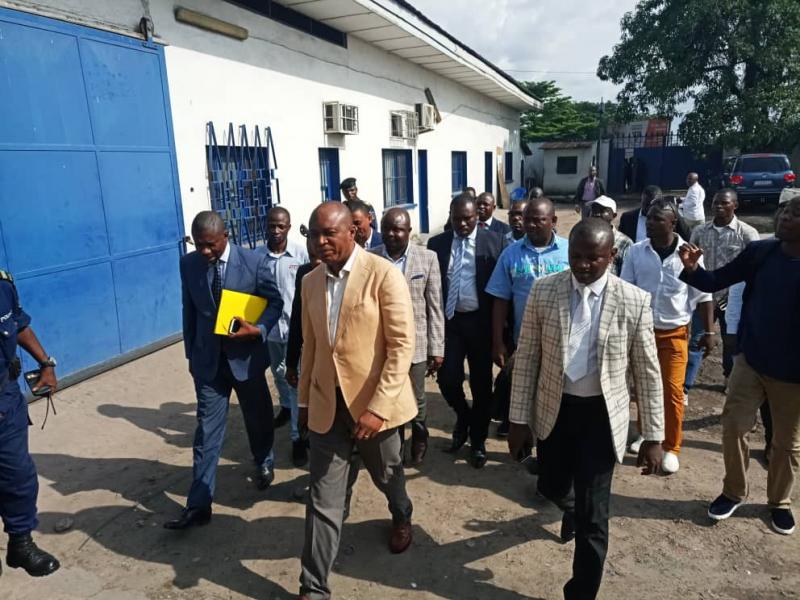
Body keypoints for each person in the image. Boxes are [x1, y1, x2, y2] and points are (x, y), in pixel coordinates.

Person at [508, 218, 664, 600]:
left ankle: (580, 593)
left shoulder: (633, 300)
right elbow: (527, 357)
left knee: (595, 518)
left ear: (611, 255)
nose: (582, 265)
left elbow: (646, 369)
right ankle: (571, 505)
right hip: (554, 410)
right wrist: (517, 419)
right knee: (551, 485)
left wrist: (654, 435)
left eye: (593, 258)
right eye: (576, 256)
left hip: (601, 417)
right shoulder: (545, 292)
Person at [297, 203, 417, 599]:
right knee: (323, 500)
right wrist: (303, 403)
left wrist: (378, 409)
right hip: (328, 410)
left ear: (353, 232)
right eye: (315, 234)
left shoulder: (382, 275)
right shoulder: (310, 282)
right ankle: (313, 588)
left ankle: (401, 514)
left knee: (388, 477)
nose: (321, 241)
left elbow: (401, 346)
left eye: (329, 233)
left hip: (374, 411)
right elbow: (311, 347)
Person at [678, 195, 800, 536]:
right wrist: (692, 269)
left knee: (787, 444)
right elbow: (716, 281)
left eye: (795, 215)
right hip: (752, 361)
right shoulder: (762, 253)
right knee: (733, 427)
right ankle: (734, 491)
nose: (785, 218)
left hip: (792, 375)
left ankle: (779, 502)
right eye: (784, 212)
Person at [165, 211, 283, 530]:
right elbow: (188, 310)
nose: (205, 252)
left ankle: (263, 459)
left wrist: (258, 330)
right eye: (199, 245)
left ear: (225, 236)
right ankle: (199, 504)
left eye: (210, 245)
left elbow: (276, 303)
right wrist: (191, 356)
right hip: (207, 363)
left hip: (246, 360)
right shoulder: (189, 264)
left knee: (257, 418)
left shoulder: (254, 263)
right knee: (206, 430)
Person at [621, 200, 715, 474]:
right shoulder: (637, 252)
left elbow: (703, 296)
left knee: (673, 392)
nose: (649, 223)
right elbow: (627, 291)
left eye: (656, 220)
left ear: (672, 223)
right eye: (648, 218)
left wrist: (709, 332)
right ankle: (647, 435)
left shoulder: (689, 254)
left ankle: (672, 447)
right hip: (642, 332)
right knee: (643, 388)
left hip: (674, 333)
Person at [427, 193, 505, 468]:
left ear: (478, 217)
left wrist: (500, 336)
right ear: (450, 216)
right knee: (447, 379)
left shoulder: (494, 243)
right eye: (457, 219)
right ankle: (464, 416)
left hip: (481, 324)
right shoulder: (436, 245)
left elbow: (501, 293)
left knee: (481, 385)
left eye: (468, 219)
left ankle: (478, 440)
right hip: (451, 323)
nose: (462, 224)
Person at [486, 198, 569, 434]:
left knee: (554, 393)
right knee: (520, 387)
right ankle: (518, 431)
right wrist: (498, 342)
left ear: (553, 221)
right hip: (523, 338)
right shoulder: (511, 254)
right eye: (527, 219)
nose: (531, 225)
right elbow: (500, 298)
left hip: (561, 339)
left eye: (538, 220)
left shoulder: (569, 251)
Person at [370, 208, 445, 466]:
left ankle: (420, 436)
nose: (392, 234)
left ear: (409, 232)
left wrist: (437, 348)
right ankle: (396, 447)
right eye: (387, 228)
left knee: (418, 399)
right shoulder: (371, 259)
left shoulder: (428, 259)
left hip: (416, 344)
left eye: (398, 229)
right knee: (390, 397)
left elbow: (434, 307)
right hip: (381, 345)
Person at [0, 270, 60, 578]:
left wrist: (45, 363)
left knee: (19, 476)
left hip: (6, 400)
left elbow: (17, 324)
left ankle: (20, 544)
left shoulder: (2, 284)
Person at [683, 189, 759, 400]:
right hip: (704, 296)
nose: (719, 206)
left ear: (735, 205)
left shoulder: (747, 233)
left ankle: (729, 379)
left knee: (731, 342)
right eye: (716, 202)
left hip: (732, 300)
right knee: (697, 340)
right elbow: (692, 263)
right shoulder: (700, 231)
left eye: (724, 203)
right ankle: (685, 386)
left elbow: (752, 268)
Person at [256, 207, 309, 467]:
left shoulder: (300, 254)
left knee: (295, 379)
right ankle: (286, 408)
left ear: (289, 227)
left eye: (281, 226)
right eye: (272, 225)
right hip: (270, 331)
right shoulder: (257, 257)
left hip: (296, 330)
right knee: (278, 374)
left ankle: (298, 437)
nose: (276, 231)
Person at [285, 236, 320, 390]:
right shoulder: (304, 273)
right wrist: (291, 363)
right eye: (312, 257)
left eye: (321, 256)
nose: (317, 262)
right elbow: (297, 318)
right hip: (313, 352)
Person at [619, 185, 694, 243]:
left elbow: (688, 237)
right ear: (641, 200)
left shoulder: (670, 217)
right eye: (646, 204)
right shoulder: (627, 218)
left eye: (652, 205)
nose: (649, 209)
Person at [587, 196, 633, 276]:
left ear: (614, 215)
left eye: (603, 210)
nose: (597, 214)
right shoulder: (583, 238)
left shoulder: (624, 242)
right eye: (594, 210)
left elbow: (628, 274)